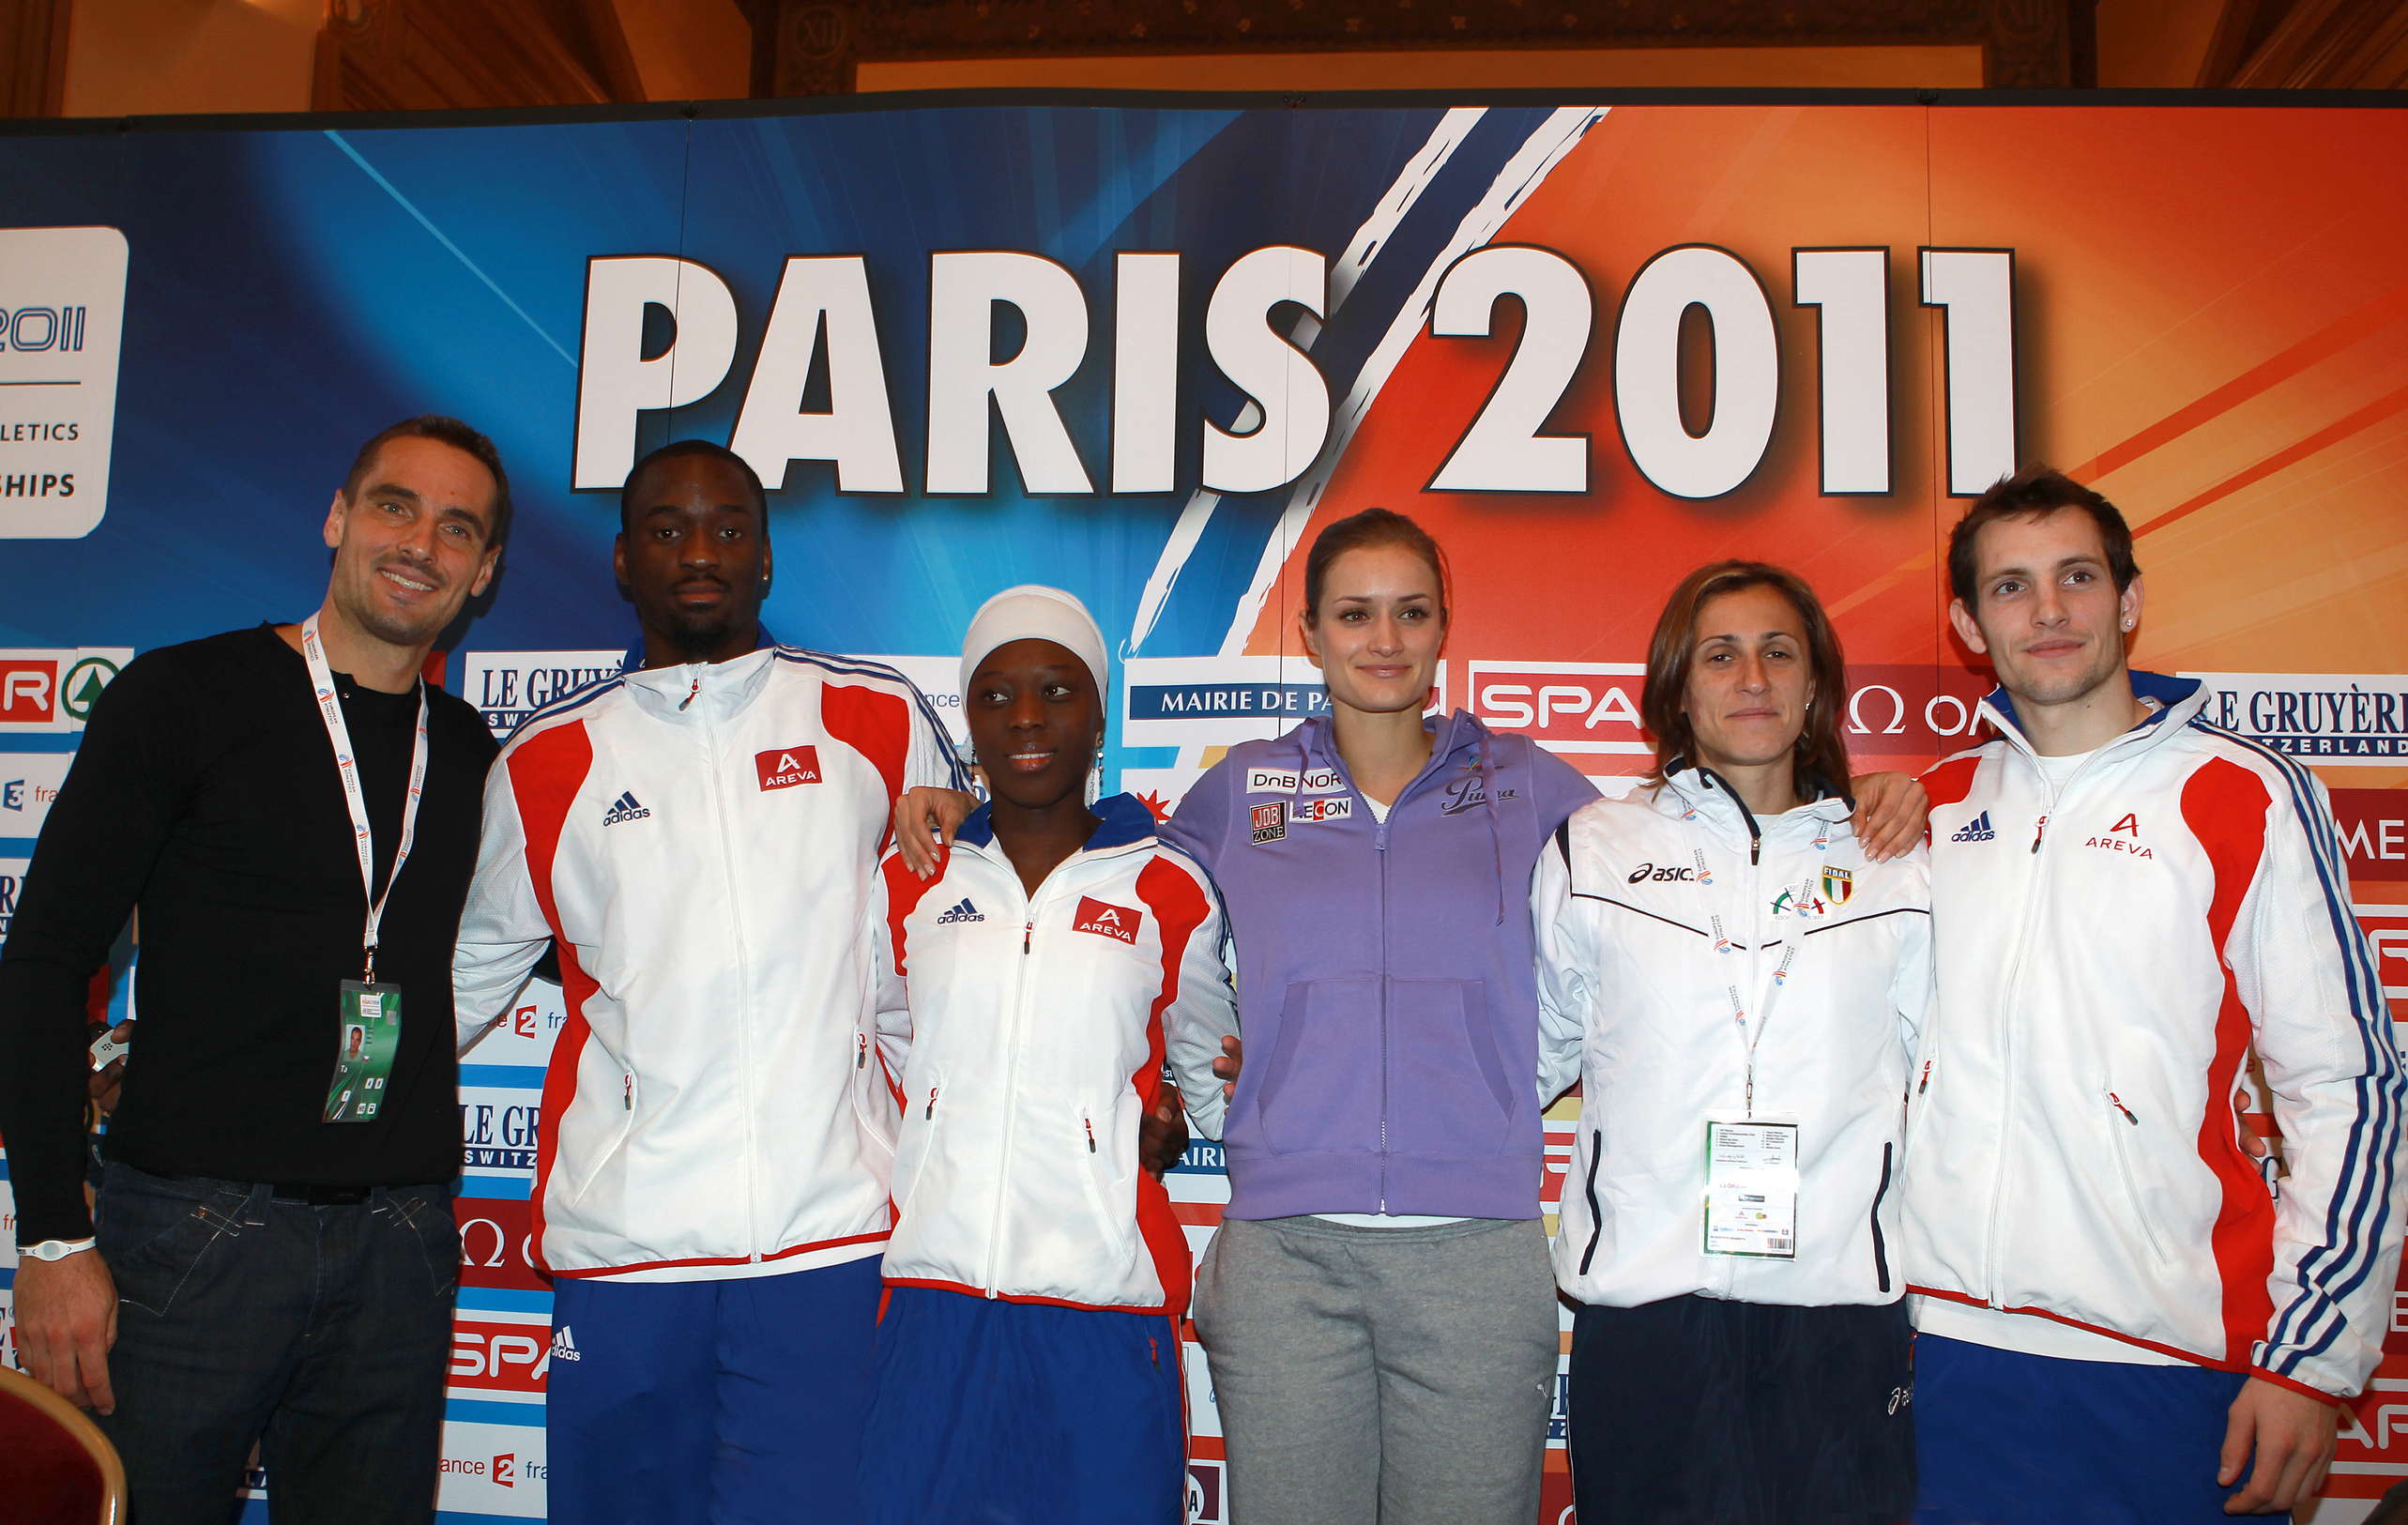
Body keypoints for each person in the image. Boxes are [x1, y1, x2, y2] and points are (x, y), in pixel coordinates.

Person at [450, 438, 977, 1525]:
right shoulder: (547, 760)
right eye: (668, 528)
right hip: (627, 1252)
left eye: (729, 528)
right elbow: (457, 983)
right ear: (622, 559)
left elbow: (967, 935)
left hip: (829, 1244)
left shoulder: (874, 716)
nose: (700, 552)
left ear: (767, 558)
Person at [0, 415, 511, 1523]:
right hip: (192, 1234)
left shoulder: (477, 755)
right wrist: (50, 1232)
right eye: (395, 506)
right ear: (337, 517)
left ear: (483, 572)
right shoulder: (183, 696)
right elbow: (42, 960)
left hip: (399, 1247)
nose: (420, 543)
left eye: (456, 527)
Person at [1903, 467, 2405, 1523]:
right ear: (1968, 624)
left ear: (2127, 600)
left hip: (2170, 1361)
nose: (2048, 610)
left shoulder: (2243, 792)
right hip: (1937, 1350)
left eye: (2077, 576)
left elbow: (2349, 1084)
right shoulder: (1934, 805)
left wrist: (2311, 1358)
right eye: (2010, 586)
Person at [1534, 560, 1929, 1524]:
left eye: (1777, 652)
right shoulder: (1596, 847)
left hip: (1841, 1319)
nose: (1752, 677)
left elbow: (1950, 1082)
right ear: (1678, 687)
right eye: (1720, 654)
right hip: (1646, 1317)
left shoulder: (1896, 859)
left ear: (1814, 684)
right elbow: (1518, 1060)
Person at [857, 586, 1238, 1525]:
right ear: (969, 722)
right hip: (933, 1301)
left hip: (1104, 1309)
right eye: (995, 695)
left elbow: (1215, 1082)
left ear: (1099, 716)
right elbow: (890, 1045)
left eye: (1057, 690)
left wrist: (1131, 1121)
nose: (1026, 716)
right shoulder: (910, 877)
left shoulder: (1168, 886)